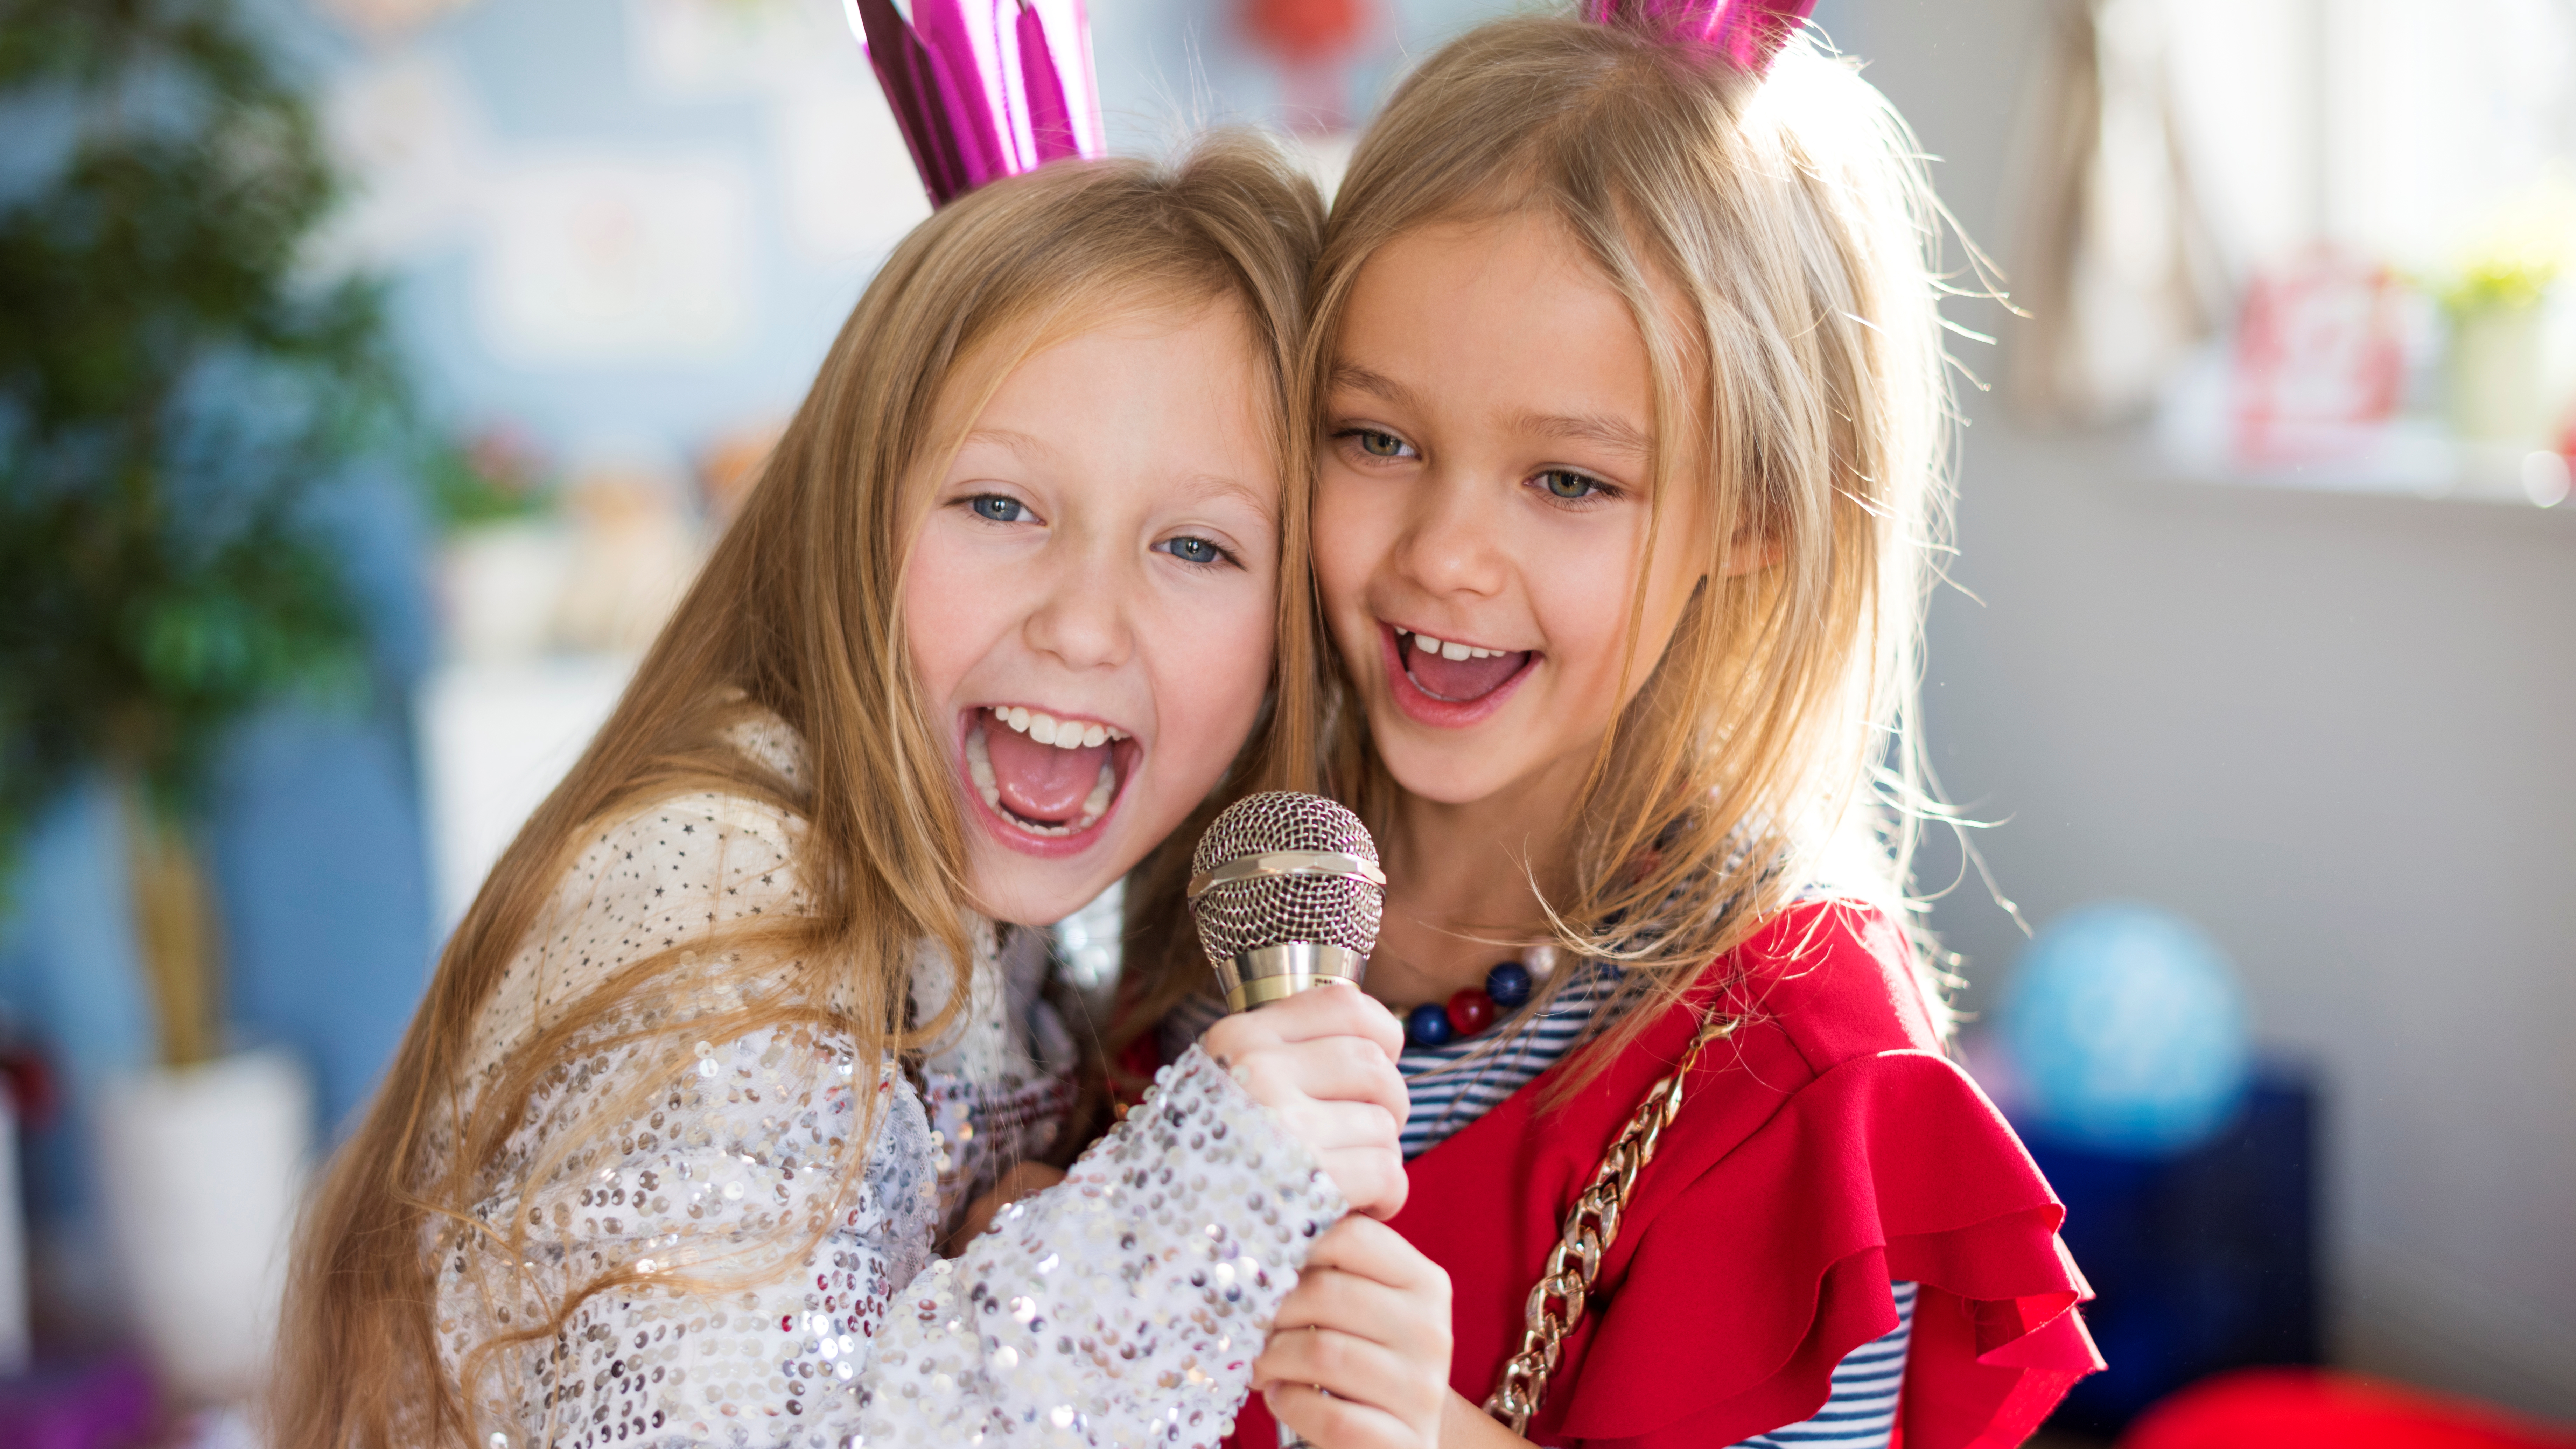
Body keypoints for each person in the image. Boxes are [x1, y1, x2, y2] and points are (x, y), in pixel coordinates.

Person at [269, 134, 1416, 1449]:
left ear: (1286, 651)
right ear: (849, 521)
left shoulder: (1005, 950)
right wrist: (1195, 1200)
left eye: (1198, 545)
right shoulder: (719, 905)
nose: (1086, 625)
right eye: (998, 506)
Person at [1139, 7, 2106, 1446]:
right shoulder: (1217, 862)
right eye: (1378, 439)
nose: (1447, 554)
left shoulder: (1798, 1064)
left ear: (1760, 514)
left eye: (1571, 482)